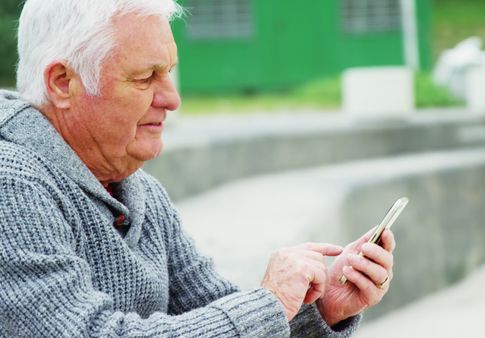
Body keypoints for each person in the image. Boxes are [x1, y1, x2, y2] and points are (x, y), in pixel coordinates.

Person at [0, 0, 396, 337]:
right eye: (144, 77)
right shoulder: (11, 183)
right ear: (62, 83)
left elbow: (220, 318)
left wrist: (320, 307)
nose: (172, 99)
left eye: (168, 72)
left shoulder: (139, 189)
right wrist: (271, 301)